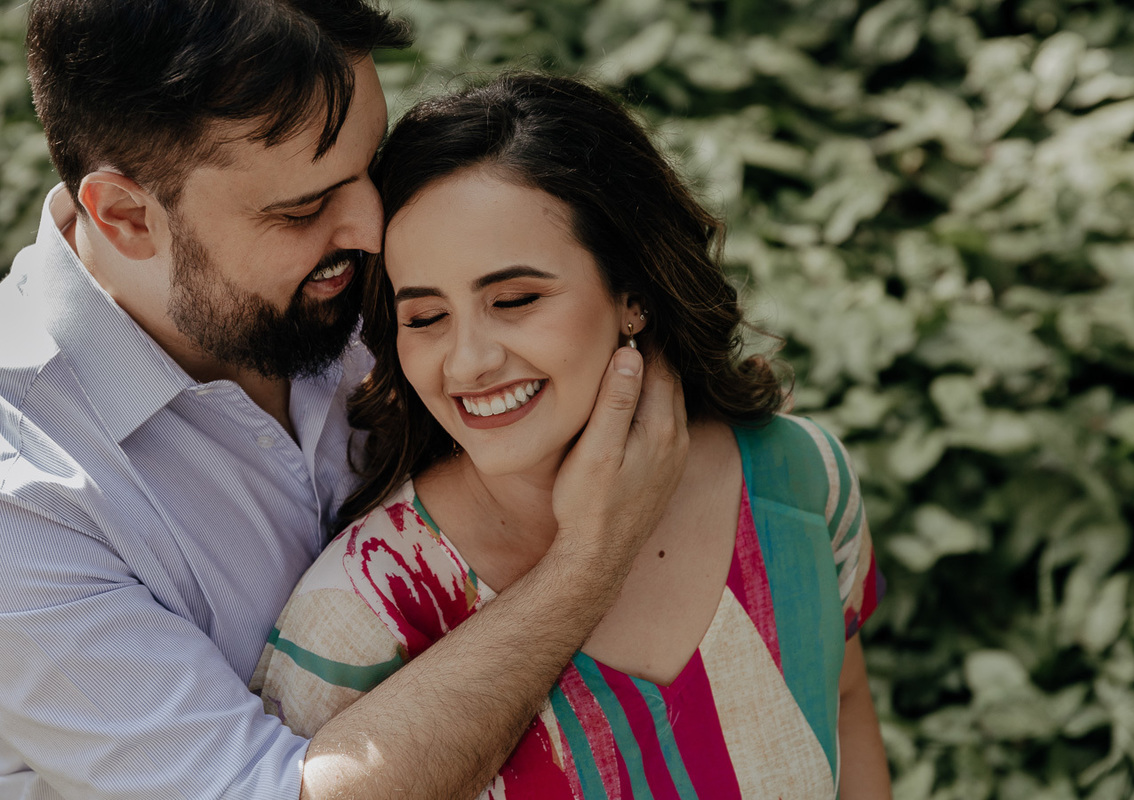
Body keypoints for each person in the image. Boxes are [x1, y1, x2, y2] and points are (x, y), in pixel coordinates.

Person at [0, 3, 688, 799]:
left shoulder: (389, 287)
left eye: (373, 165)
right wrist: (587, 565)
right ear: (124, 216)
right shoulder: (26, 498)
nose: (370, 227)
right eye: (302, 209)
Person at [255, 72, 892, 798]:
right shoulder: (360, 611)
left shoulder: (800, 477)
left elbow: (844, 705)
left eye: (516, 299)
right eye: (426, 317)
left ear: (633, 294)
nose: (468, 362)